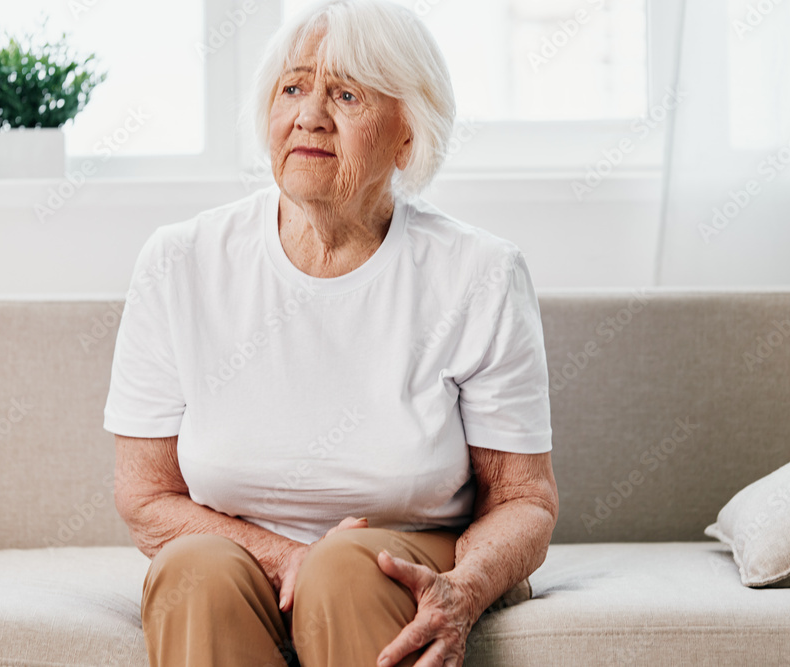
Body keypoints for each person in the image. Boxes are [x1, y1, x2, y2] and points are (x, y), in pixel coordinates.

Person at [103, 1, 558, 665]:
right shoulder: (181, 261)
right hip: (238, 557)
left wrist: (464, 588)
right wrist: (288, 557)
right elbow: (146, 495)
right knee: (193, 569)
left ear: (408, 134)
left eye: (346, 94)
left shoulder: (479, 273)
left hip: (407, 553)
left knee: (346, 568)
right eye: (293, 88)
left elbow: (523, 499)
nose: (310, 115)